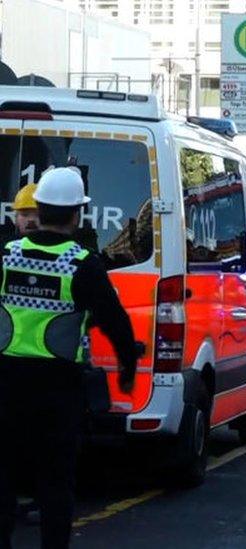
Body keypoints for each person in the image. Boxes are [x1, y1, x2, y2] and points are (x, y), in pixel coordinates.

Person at [0, 167, 139, 548]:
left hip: (6, 387)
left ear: (39, 208)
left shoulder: (7, 255)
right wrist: (128, 365)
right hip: (58, 392)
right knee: (55, 486)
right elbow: (115, 321)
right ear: (77, 214)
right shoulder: (82, 263)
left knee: (3, 481)